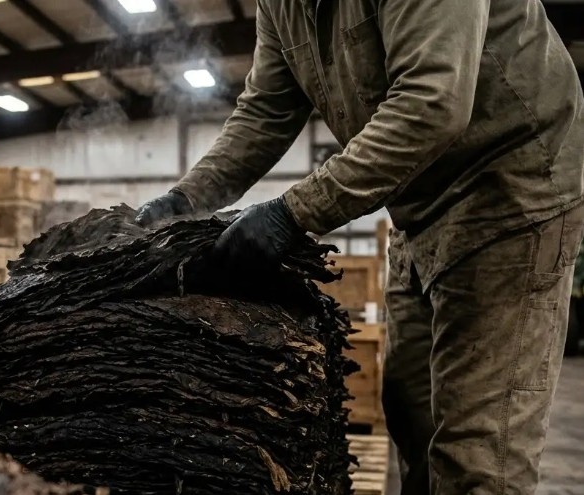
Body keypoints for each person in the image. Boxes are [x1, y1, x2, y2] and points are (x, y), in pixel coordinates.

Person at [136, 1, 584, 493]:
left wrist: (292, 214)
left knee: (478, 452)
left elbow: (431, 102)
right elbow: (267, 107)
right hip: (418, 209)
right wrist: (185, 199)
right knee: (413, 412)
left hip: (509, 193)